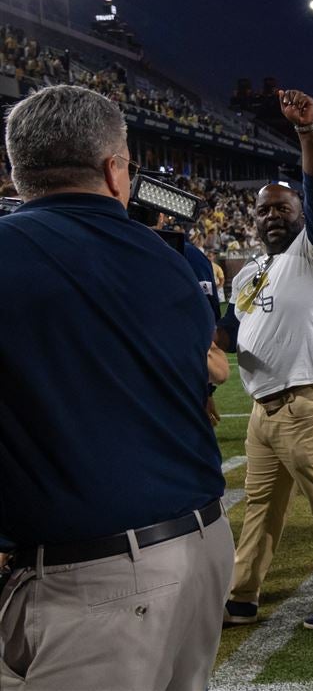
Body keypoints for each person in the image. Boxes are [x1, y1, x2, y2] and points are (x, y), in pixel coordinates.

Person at [0, 85, 232, 689]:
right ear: (113, 169)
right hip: (198, 543)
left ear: (20, 171)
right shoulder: (169, 260)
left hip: (94, 577)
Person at [216, 89, 313, 631]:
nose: (271, 216)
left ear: (301, 213)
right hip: (265, 410)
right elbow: (233, 334)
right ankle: (242, 596)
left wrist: (308, 132)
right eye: (262, 210)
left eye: (282, 207)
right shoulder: (247, 275)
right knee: (259, 510)